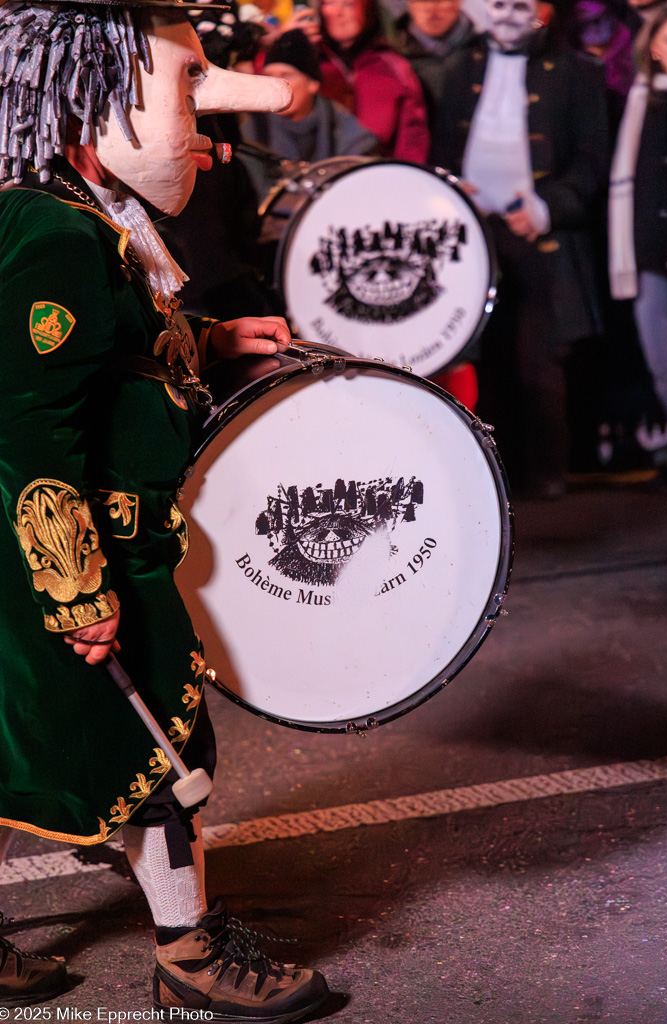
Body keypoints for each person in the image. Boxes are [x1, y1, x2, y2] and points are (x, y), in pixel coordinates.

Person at [0, 1, 330, 1017]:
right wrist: (75, 586)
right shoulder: (52, 230)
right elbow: (29, 430)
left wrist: (215, 341)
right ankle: (188, 952)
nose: (205, 123)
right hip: (81, 549)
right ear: (93, 101)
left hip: (107, 540)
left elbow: (119, 356)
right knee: (156, 747)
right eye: (182, 87)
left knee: (42, 742)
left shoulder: (91, 213)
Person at [432, 0, 609, 496]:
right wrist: (449, 190)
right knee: (479, 351)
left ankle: (547, 476)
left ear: (543, 11)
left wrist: (549, 207)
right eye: (497, 4)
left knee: (541, 357)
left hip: (540, 234)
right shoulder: (460, 67)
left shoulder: (577, 72)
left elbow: (594, 157)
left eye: (520, 4)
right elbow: (446, 144)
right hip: (474, 233)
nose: (507, 14)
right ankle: (491, 476)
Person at [609, 0, 667, 484]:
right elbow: (624, 181)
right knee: (663, 364)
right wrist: (624, 258)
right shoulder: (640, 100)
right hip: (650, 251)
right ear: (653, 48)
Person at [242, 28, 378, 174]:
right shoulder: (254, 130)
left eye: (286, 75)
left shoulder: (345, 133)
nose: (276, 85)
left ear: (312, 84)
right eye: (269, 76)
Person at [317, 0, 431, 161]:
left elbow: (412, 136)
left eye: (349, 4)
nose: (338, 12)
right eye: (329, 3)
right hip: (319, 178)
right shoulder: (311, 64)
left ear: (368, 10)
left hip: (380, 176)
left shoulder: (392, 66)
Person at [393, 0, 475, 129]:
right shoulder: (390, 61)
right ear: (410, 4)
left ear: (458, 2)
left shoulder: (488, 57)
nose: (431, 9)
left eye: (439, 1)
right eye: (422, 1)